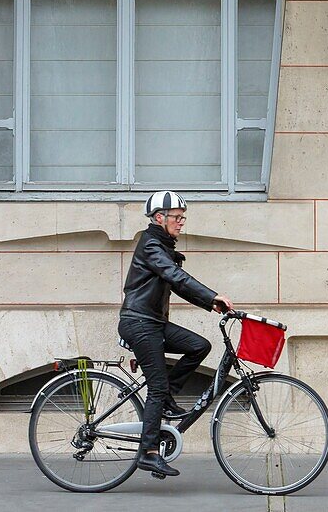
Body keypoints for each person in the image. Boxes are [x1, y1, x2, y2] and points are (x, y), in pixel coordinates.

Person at [118, 190, 234, 479]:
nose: (181, 222)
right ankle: (148, 453)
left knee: (198, 346)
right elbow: (175, 276)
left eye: (183, 218)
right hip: (140, 323)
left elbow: (179, 285)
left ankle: (168, 394)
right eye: (177, 217)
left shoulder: (162, 245)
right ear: (160, 218)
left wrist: (211, 302)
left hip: (153, 323)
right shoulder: (151, 244)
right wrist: (212, 294)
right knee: (156, 388)